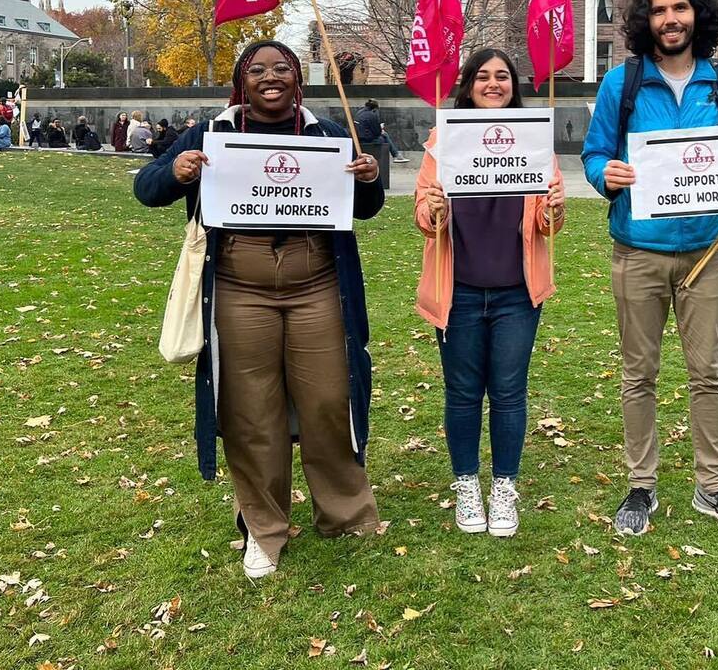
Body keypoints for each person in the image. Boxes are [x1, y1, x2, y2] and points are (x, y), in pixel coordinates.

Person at [133, 40, 385, 580]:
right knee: (251, 409)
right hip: (240, 288)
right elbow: (146, 188)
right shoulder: (212, 132)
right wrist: (176, 170)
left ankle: (344, 512)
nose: (271, 77)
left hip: (316, 283)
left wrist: (368, 180)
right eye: (258, 69)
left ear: (299, 79)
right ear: (241, 80)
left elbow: (365, 208)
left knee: (327, 398)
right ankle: (263, 526)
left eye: (282, 69)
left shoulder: (328, 134)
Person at [581, 0, 718, 538]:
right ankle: (640, 485)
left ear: (699, 15)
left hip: (706, 252)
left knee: (708, 374)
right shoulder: (621, 85)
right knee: (638, 374)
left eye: (680, 9)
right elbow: (594, 153)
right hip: (638, 251)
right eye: (659, 11)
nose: (670, 20)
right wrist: (607, 174)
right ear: (644, 20)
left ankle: (712, 487)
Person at [414, 48, 565, 538]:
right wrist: (433, 207)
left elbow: (546, 222)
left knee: (508, 392)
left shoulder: (534, 140)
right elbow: (423, 217)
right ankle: (466, 484)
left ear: (514, 86)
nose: (494, 83)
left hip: (516, 295)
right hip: (456, 290)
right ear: (469, 85)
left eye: (503, 76)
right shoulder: (443, 139)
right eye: (483, 76)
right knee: (461, 394)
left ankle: (503, 485)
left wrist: (556, 209)